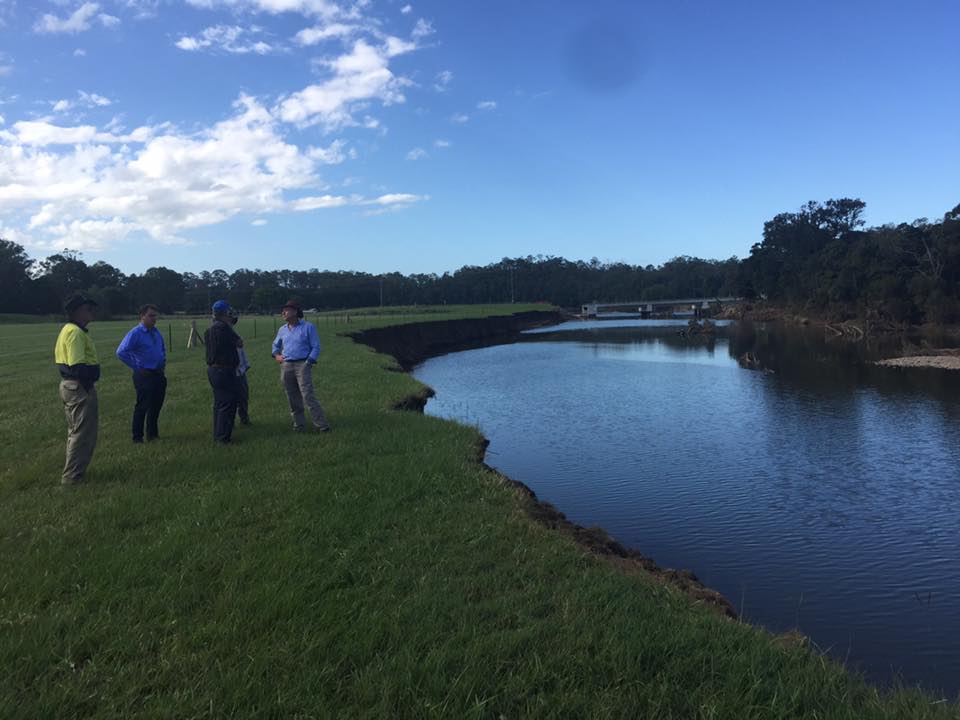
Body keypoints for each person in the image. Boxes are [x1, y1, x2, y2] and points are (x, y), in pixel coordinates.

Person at [54, 294, 101, 485]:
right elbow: (77, 365)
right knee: (81, 433)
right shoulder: (74, 333)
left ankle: (75, 472)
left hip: (73, 386)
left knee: (77, 431)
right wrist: (88, 384)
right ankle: (72, 477)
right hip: (79, 387)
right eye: (87, 309)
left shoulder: (71, 330)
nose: (91, 312)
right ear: (77, 312)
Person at [271, 300, 330, 433]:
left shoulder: (308, 327)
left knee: (307, 395)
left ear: (295, 311)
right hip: (286, 366)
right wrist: (277, 356)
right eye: (283, 310)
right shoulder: (282, 329)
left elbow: (316, 346)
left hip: (302, 364)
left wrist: (309, 362)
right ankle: (299, 425)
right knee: (292, 397)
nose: (283, 313)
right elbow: (275, 346)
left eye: (286, 310)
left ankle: (322, 425)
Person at [116, 304, 167, 443]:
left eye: (155, 315)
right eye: (151, 315)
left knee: (156, 406)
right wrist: (137, 367)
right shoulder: (135, 333)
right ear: (142, 316)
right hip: (144, 375)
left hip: (158, 374)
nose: (154, 318)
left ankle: (153, 435)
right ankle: (137, 437)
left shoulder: (156, 332)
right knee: (142, 406)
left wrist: (163, 363)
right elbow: (121, 352)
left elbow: (162, 349)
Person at [204, 300, 243, 443]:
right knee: (228, 402)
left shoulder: (209, 330)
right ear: (225, 313)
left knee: (219, 403)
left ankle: (218, 433)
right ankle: (223, 437)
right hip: (224, 370)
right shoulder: (224, 328)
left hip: (213, 370)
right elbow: (239, 342)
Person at [228, 308, 251, 425]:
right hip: (230, 372)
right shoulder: (223, 336)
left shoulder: (236, 336)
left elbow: (242, 352)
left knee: (243, 397)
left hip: (241, 371)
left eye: (232, 322)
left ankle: (244, 418)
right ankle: (229, 421)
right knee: (230, 399)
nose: (231, 324)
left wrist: (246, 365)